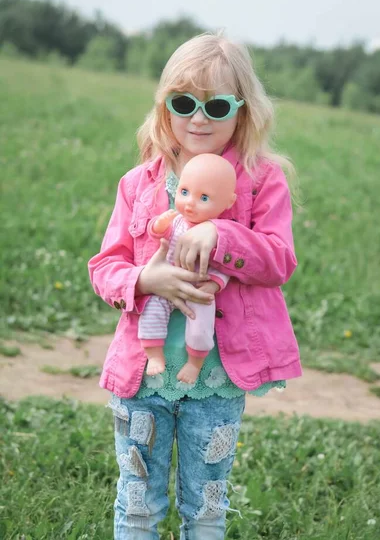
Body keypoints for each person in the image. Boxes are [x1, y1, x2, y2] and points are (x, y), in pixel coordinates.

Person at [88, 32, 302, 540]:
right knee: (137, 502)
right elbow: (104, 267)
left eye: (216, 104)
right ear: (165, 109)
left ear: (243, 110)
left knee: (206, 506)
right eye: (184, 103)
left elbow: (279, 260)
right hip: (144, 378)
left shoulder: (261, 181)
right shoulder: (139, 183)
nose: (199, 118)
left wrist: (222, 232)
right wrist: (146, 278)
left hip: (218, 381)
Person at [139, 153, 237, 384]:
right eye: (184, 192)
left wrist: (213, 284)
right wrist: (159, 225)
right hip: (164, 284)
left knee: (201, 325)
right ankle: (154, 355)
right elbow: (157, 234)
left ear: (228, 202)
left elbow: (224, 267)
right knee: (151, 310)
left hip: (197, 290)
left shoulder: (221, 232)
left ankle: (194, 364)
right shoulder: (176, 220)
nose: (190, 202)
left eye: (203, 197)